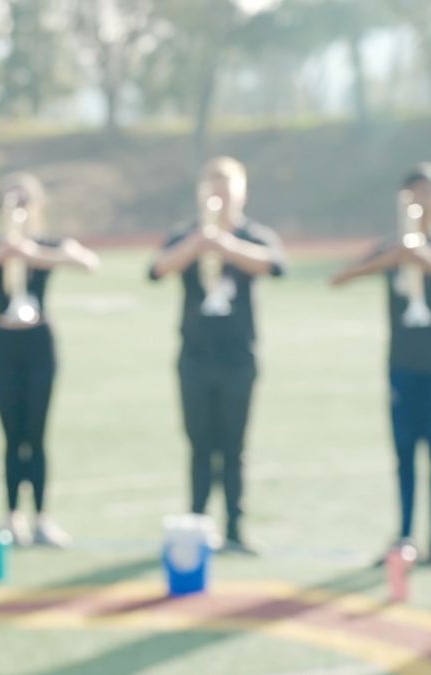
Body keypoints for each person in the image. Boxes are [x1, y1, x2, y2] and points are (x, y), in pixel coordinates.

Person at [329, 162, 431, 569]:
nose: (421, 202)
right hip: (401, 368)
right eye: (413, 195)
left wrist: (429, 262)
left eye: (428, 193)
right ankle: (404, 535)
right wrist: (391, 260)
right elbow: (339, 278)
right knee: (404, 455)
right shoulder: (391, 247)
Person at [0, 173, 98, 547]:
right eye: (11, 203)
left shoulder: (46, 244)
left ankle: (42, 517)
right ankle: (13, 517)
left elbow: (87, 261)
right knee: (11, 436)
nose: (18, 210)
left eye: (24, 202)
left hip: (39, 342)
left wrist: (33, 255)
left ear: (37, 207)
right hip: (4, 342)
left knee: (37, 434)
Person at [148, 156, 285, 555]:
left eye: (228, 190)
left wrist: (224, 244)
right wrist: (198, 243)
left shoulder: (253, 234)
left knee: (234, 445)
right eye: (213, 190)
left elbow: (274, 266)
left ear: (241, 194)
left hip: (238, 356)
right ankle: (196, 523)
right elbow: (157, 270)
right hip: (195, 355)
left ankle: (236, 528)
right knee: (199, 444)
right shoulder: (187, 234)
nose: (221, 198)